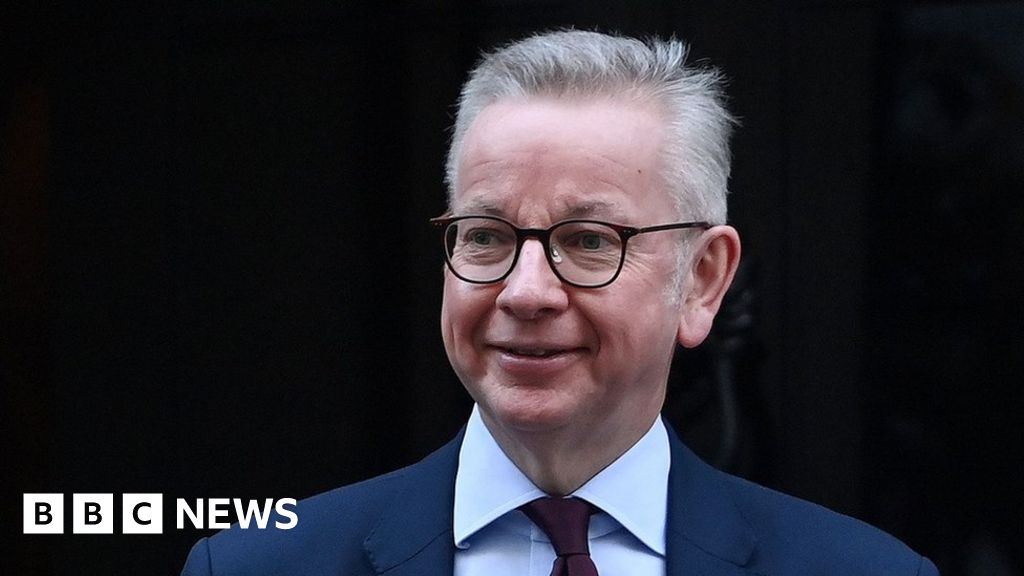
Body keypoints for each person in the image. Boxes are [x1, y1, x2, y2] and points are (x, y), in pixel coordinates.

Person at [181, 29, 939, 576]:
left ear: (703, 279)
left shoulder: (861, 570)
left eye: (589, 241)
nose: (526, 292)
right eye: (486, 236)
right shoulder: (261, 563)